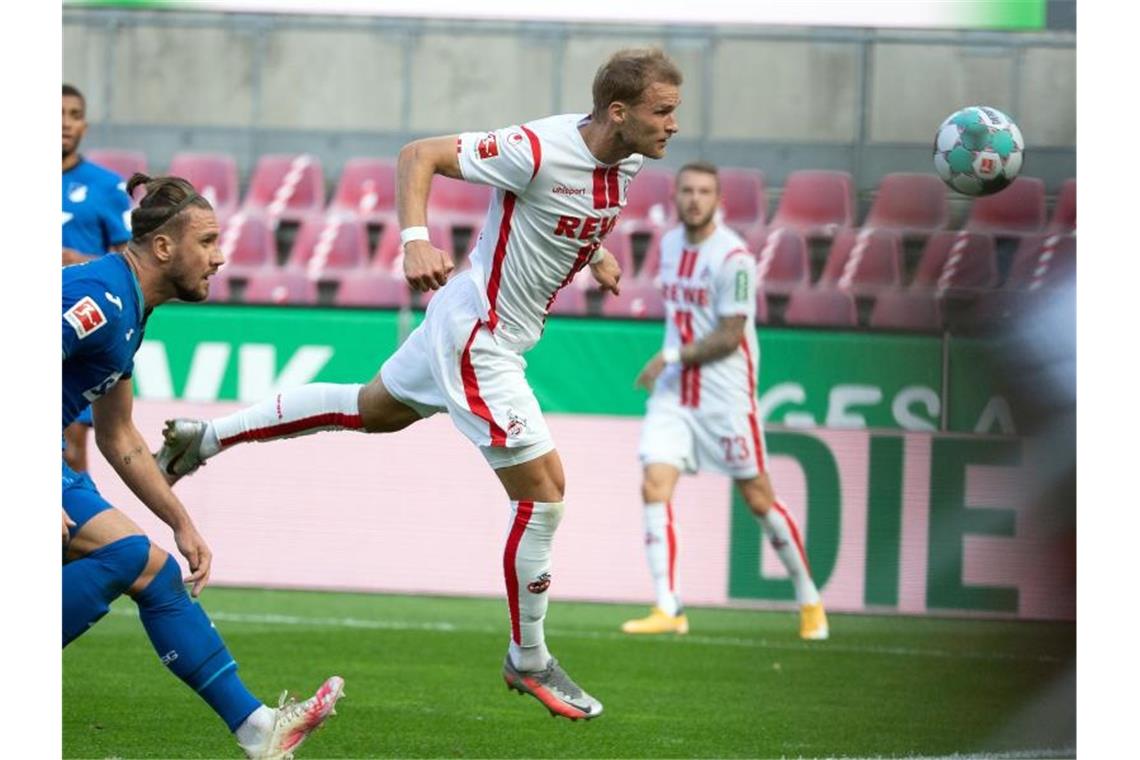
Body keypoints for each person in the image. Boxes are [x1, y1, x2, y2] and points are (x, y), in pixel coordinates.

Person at [153, 48, 684, 721]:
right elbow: (419, 154)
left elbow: (564, 214)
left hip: (470, 320)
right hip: (480, 337)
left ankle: (208, 439)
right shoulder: (537, 148)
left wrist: (596, 253)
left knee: (371, 408)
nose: (671, 125)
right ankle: (529, 660)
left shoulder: (627, 160)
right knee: (545, 495)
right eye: (662, 112)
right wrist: (413, 239)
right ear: (618, 111)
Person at [63, 172, 343, 758]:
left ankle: (259, 729)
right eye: (209, 242)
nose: (220, 257)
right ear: (164, 247)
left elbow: (120, 437)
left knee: (156, 571)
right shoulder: (96, 298)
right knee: (128, 556)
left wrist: (181, 521)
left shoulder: (130, 313)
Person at [620, 162, 829, 640]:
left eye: (704, 192)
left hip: (725, 396)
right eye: (687, 191)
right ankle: (668, 606)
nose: (695, 199)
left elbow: (731, 335)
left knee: (758, 499)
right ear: (675, 198)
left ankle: (809, 599)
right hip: (675, 394)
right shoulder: (669, 245)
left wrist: (670, 354)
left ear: (719, 201)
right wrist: (673, 362)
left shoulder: (734, 257)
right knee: (654, 484)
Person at [62, 83, 133, 473]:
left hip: (81, 327)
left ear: (85, 127)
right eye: (57, 114)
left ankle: (75, 531)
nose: (65, 124)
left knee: (69, 449)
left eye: (74, 115)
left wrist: (74, 259)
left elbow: (130, 265)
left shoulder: (106, 187)